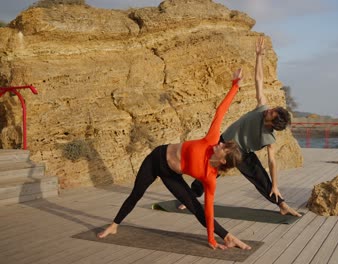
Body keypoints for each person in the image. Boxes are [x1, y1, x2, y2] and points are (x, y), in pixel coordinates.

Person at [98, 68, 251, 250]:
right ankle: (114, 225)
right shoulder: (210, 140)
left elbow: (209, 210)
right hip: (157, 158)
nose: (220, 144)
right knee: (136, 193)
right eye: (223, 144)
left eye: (223, 148)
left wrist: (211, 238)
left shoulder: (209, 177)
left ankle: (226, 237)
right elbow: (221, 111)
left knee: (195, 206)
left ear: (224, 161)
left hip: (170, 174)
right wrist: (235, 87)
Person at [184, 37, 301, 217]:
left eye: (272, 114)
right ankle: (190, 198)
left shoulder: (269, 137)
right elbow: (259, 80)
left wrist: (276, 185)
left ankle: (282, 205)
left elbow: (272, 162)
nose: (269, 110)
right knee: (210, 169)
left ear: (272, 124)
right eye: (272, 109)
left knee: (260, 177)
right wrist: (259, 56)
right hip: (225, 141)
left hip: (242, 153)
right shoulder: (262, 107)